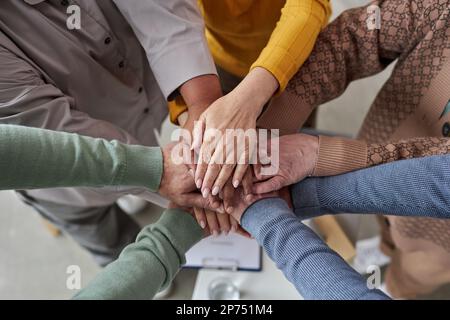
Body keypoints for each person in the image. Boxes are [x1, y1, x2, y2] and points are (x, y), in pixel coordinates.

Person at [0, 0, 228, 265]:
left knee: (148, 168)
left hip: (137, 101)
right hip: (69, 185)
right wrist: (163, 176)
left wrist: (202, 102)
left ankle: (135, 191)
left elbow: (157, 8)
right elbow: (50, 134)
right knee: (105, 235)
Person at [248, 0, 450, 298]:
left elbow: (439, 176)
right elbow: (355, 36)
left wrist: (326, 157)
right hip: (376, 148)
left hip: (440, 234)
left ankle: (395, 286)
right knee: (383, 217)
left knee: (416, 267)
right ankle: (383, 246)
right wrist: (270, 133)